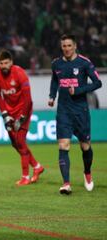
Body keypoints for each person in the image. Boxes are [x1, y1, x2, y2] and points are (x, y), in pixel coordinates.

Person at [48, 34, 102, 195]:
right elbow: (55, 80)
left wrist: (78, 90)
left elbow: (98, 82)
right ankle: (66, 184)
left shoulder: (84, 63)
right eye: (64, 46)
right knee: (63, 145)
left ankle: (87, 173)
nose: (66, 49)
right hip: (63, 111)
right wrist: (52, 96)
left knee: (85, 146)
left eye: (69, 45)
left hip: (81, 111)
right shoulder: (56, 64)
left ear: (75, 46)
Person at [0, 50, 44, 186]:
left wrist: (22, 117)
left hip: (23, 110)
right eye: (1, 63)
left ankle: (25, 176)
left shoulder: (20, 74)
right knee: (15, 143)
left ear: (11, 62)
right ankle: (37, 166)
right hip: (9, 112)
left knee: (20, 141)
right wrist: (5, 114)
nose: (4, 66)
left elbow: (28, 99)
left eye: (6, 63)